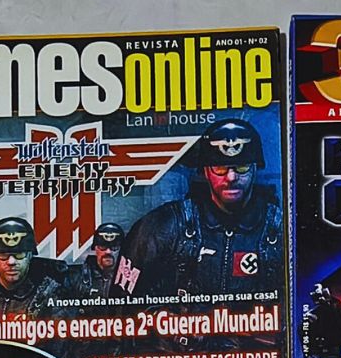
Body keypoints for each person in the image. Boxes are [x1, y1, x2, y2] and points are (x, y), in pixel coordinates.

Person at [115, 120, 282, 298]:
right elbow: (121, 304)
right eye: (220, 167)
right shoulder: (162, 227)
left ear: (255, 168)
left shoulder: (281, 230)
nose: (231, 177)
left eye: (242, 167)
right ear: (205, 171)